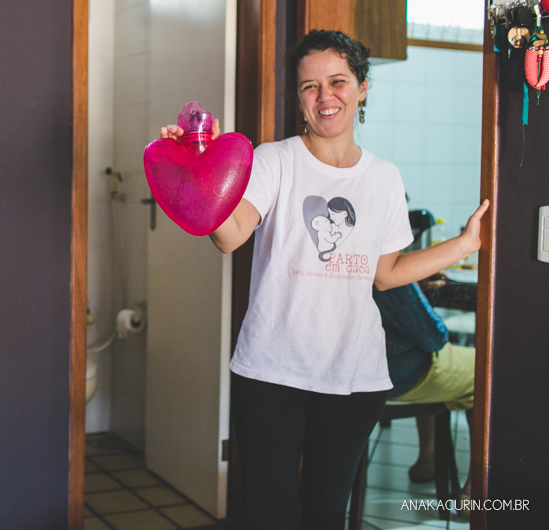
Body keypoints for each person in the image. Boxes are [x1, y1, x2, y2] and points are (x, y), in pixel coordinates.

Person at [160, 29, 488, 529]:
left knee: (325, 514)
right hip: (271, 372)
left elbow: (388, 274)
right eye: (310, 86)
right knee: (264, 514)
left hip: (354, 376)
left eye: (337, 81)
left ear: (362, 87)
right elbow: (229, 237)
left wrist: (464, 244)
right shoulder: (273, 160)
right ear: (299, 97)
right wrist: (196, 172)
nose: (324, 96)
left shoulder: (384, 178)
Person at [373, 282, 474, 504]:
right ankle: (478, 488)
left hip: (355, 372)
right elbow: (434, 338)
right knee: (489, 374)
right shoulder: (386, 266)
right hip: (396, 372)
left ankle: (428, 459)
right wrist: (413, 288)